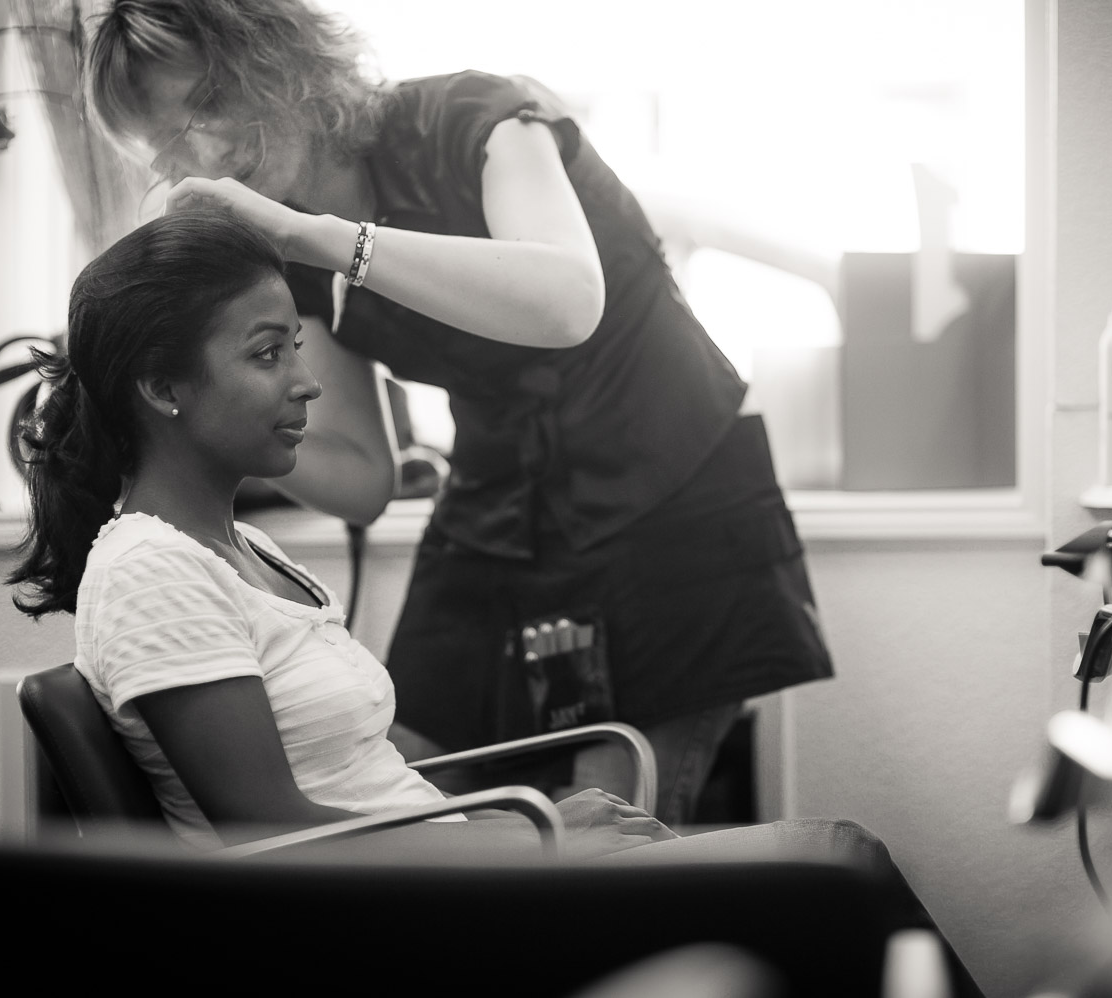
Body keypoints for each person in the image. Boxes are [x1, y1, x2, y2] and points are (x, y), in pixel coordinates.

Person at [5, 212, 979, 996]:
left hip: (455, 878)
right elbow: (269, 838)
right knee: (837, 866)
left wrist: (539, 817)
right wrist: (538, 836)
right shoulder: (149, 571)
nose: (307, 380)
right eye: (266, 353)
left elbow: (358, 769)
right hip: (405, 929)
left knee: (822, 883)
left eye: (298, 345)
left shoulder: (239, 547)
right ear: (161, 383)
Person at [83, 0, 833, 826]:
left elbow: (567, 301)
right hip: (501, 505)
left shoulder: (475, 122)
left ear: (278, 61)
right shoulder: (286, 264)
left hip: (664, 492)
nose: (199, 158)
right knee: (398, 746)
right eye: (165, 150)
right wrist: (181, 431)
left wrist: (322, 238)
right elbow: (363, 475)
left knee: (609, 810)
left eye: (202, 112)